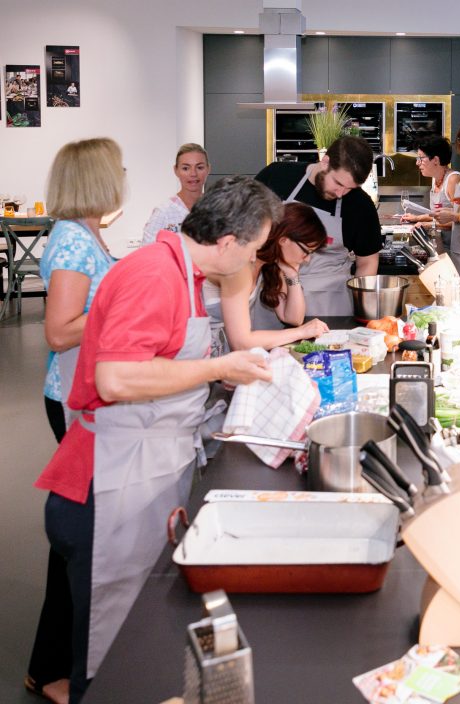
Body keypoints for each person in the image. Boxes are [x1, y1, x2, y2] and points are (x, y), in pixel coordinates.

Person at [34, 176, 278, 703]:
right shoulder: (154, 275)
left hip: (141, 468)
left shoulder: (182, 273)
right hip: (108, 484)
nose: (254, 261)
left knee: (132, 641)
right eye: (256, 249)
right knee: (109, 654)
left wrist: (217, 374)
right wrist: (218, 366)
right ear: (229, 242)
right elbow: (115, 379)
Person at [26, 138, 124, 704]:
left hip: (80, 391)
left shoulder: (87, 232)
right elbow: (61, 330)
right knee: (77, 534)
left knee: (78, 535)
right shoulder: (70, 240)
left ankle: (54, 660)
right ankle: (50, 669)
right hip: (70, 397)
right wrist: (115, 305)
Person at [255, 136, 381, 316]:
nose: (340, 194)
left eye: (349, 189)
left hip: (328, 305)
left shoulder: (361, 206)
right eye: (338, 183)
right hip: (271, 296)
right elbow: (245, 230)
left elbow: (367, 262)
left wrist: (363, 310)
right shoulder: (276, 176)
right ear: (325, 161)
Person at [213, 202, 330, 350]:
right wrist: (301, 332)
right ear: (284, 240)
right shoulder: (241, 266)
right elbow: (240, 343)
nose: (307, 259)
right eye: (306, 251)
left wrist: (292, 274)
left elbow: (294, 318)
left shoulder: (267, 265)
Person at [141, 143, 211, 245]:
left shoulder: (216, 209)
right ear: (176, 170)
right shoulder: (163, 212)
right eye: (185, 168)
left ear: (208, 169)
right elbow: (146, 251)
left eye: (199, 167)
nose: (193, 174)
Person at [400, 136, 459, 228]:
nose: (417, 163)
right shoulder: (435, 178)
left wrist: (427, 225)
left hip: (453, 242)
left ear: (435, 160)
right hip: (440, 240)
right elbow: (437, 214)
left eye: (421, 158)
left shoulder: (453, 179)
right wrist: (417, 218)